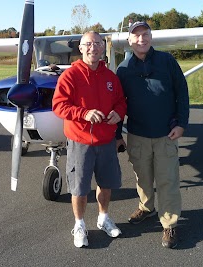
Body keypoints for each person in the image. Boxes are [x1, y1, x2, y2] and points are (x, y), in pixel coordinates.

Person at [116, 21, 189, 249]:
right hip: (137, 134)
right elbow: (118, 104)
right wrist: (118, 134)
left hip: (166, 134)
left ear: (151, 37)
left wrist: (182, 123)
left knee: (167, 180)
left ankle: (169, 223)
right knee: (142, 177)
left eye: (145, 34)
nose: (141, 39)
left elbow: (182, 92)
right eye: (136, 36)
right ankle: (147, 208)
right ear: (129, 40)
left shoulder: (167, 61)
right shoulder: (124, 69)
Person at [52, 31, 127, 248]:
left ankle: (103, 218)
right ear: (81, 48)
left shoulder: (111, 77)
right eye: (88, 44)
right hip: (80, 141)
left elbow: (121, 102)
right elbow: (58, 105)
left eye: (97, 43)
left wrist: (118, 113)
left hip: (106, 141)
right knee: (79, 188)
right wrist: (83, 113)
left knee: (106, 184)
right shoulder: (70, 76)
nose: (93, 47)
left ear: (103, 48)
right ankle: (79, 224)